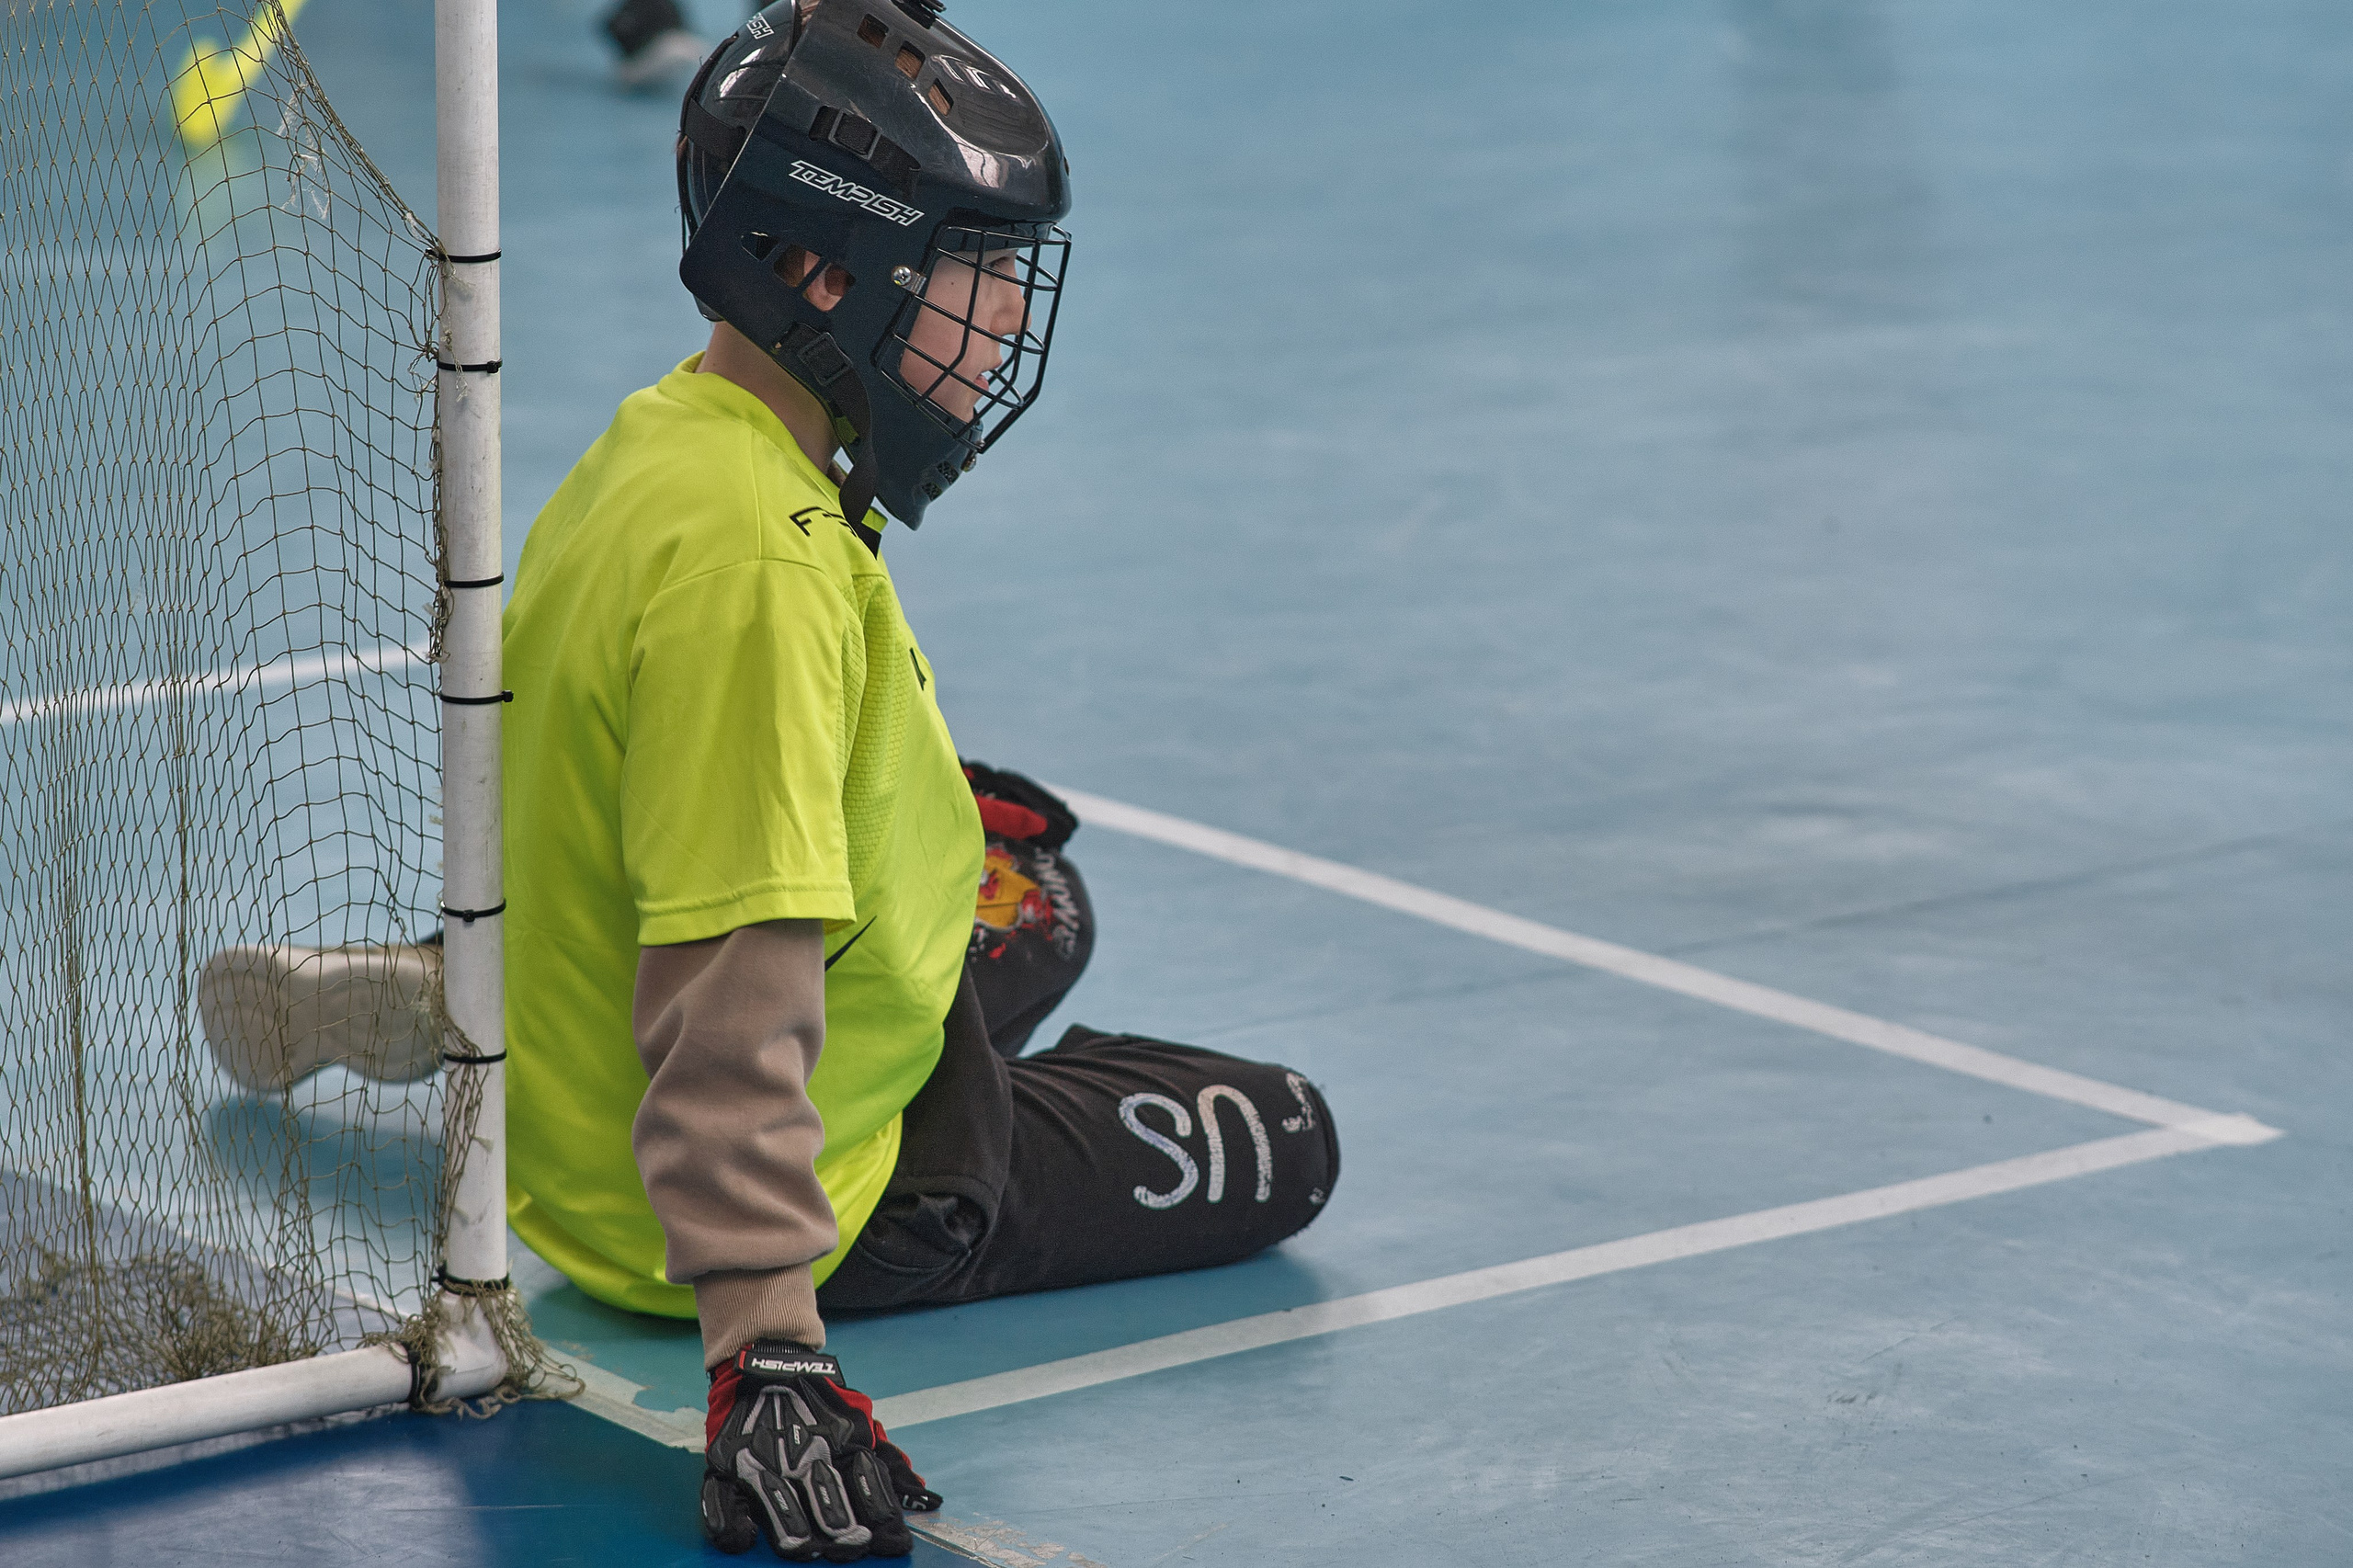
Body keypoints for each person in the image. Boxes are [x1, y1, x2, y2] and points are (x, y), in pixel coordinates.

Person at [497, 1, 1341, 1557]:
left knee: (1046, 907)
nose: (1006, 324)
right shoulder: (762, 571)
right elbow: (729, 981)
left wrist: (900, 782)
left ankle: (436, 1005)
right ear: (826, 271)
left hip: (573, 1130)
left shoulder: (672, 450)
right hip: (805, 1201)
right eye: (982, 274)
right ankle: (967, 1145)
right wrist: (770, 1345)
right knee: (1289, 1137)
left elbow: (675, 785)